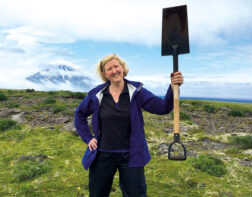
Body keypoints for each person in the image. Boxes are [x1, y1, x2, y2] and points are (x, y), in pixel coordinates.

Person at [74, 53, 184, 197]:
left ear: (122, 68)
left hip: (132, 155)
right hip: (103, 154)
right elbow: (79, 114)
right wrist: (88, 138)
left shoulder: (136, 92)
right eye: (109, 69)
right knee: (97, 194)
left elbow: (162, 107)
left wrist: (172, 87)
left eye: (116, 66)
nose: (114, 71)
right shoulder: (97, 94)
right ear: (105, 74)